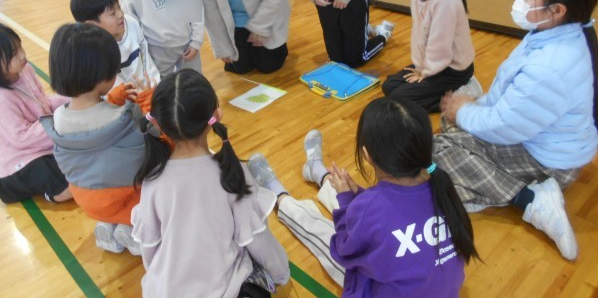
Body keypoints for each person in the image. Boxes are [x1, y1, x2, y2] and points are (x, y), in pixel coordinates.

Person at [436, 0, 598, 261]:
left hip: (549, 163)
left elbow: (504, 125)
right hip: (546, 143)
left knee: (436, 151)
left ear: (557, 10)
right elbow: (510, 98)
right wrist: (469, 109)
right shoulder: (555, 32)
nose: (520, 1)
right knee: (453, 117)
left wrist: (464, 112)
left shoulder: (549, 66)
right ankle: (499, 186)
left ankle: (528, 198)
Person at [248, 97, 479, 297]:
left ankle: (280, 196)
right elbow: (393, 212)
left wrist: (346, 203)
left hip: (376, 284)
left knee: (322, 233)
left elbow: (342, 248)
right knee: (356, 204)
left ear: (367, 155)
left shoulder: (371, 206)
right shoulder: (441, 186)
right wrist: (355, 198)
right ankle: (319, 173)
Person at [131, 70, 290, 297]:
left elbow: (149, 250)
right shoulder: (232, 174)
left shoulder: (153, 180)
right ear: (217, 114)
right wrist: (282, 274)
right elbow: (258, 240)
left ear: (157, 124)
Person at [41, 23, 151, 255]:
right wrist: (149, 101)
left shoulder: (58, 118)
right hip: (126, 198)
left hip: (86, 198)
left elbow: (91, 122)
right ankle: (132, 228)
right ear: (103, 76)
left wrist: (112, 99)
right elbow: (155, 140)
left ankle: (108, 225)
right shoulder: (123, 118)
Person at [0, 23, 72, 204]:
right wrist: (61, 120)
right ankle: (24, 188)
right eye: (13, 54)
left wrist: (72, 101)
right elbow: (22, 138)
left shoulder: (25, 70)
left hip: (42, 141)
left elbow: (44, 103)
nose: (22, 55)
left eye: (19, 47)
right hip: (21, 157)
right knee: (64, 184)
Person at [381, 0, 477, 112]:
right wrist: (419, 66)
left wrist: (425, 72)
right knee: (389, 86)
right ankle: (436, 89)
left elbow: (440, 47)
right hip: (432, 63)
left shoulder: (446, 0)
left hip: (453, 70)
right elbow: (419, 32)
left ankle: (462, 94)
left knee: (398, 98)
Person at [70, 0, 160, 86]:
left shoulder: (131, 23)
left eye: (119, 7)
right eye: (112, 13)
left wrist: (154, 83)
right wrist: (137, 94)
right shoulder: (93, 52)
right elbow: (113, 87)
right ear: (92, 25)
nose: (121, 14)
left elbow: (146, 57)